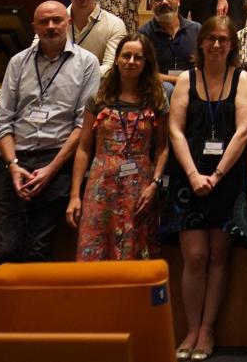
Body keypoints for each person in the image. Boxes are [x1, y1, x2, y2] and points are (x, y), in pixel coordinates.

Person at [167, 16, 247, 361]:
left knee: (219, 256)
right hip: (188, 177)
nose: (216, 44)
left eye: (223, 39)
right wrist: (193, 174)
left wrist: (217, 175)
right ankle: (191, 328)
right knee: (194, 257)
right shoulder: (186, 79)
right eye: (210, 38)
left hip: (226, 177)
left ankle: (207, 330)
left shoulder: (242, 79)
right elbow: (175, 130)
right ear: (201, 42)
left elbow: (244, 131)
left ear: (232, 44)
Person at [0, 1, 102, 263]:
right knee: (8, 248)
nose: (51, 26)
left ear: (68, 23)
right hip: (16, 161)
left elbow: (82, 125)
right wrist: (13, 165)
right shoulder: (18, 62)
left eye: (57, 20)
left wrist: (51, 170)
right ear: (34, 27)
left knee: (38, 251)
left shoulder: (87, 63)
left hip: (57, 162)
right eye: (44, 22)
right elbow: (3, 122)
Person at [65, 33, 169, 261]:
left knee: (134, 250)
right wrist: (75, 195)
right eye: (126, 55)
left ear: (146, 62)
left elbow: (162, 148)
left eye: (138, 57)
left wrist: (155, 183)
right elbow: (83, 148)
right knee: (96, 247)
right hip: (102, 183)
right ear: (117, 59)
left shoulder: (156, 100)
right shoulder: (98, 98)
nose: (131, 61)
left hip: (140, 186)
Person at [138, 0, 202, 97]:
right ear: (150, 5)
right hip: (159, 91)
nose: (164, 2)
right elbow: (144, 72)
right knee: (167, 88)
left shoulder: (197, 29)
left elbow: (206, 65)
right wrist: (179, 80)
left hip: (195, 87)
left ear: (179, 0)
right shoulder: (143, 35)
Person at [61, 0, 126, 72]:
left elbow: (109, 67)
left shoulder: (115, 24)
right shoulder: (53, 21)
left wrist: (77, 78)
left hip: (96, 82)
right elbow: (38, 54)